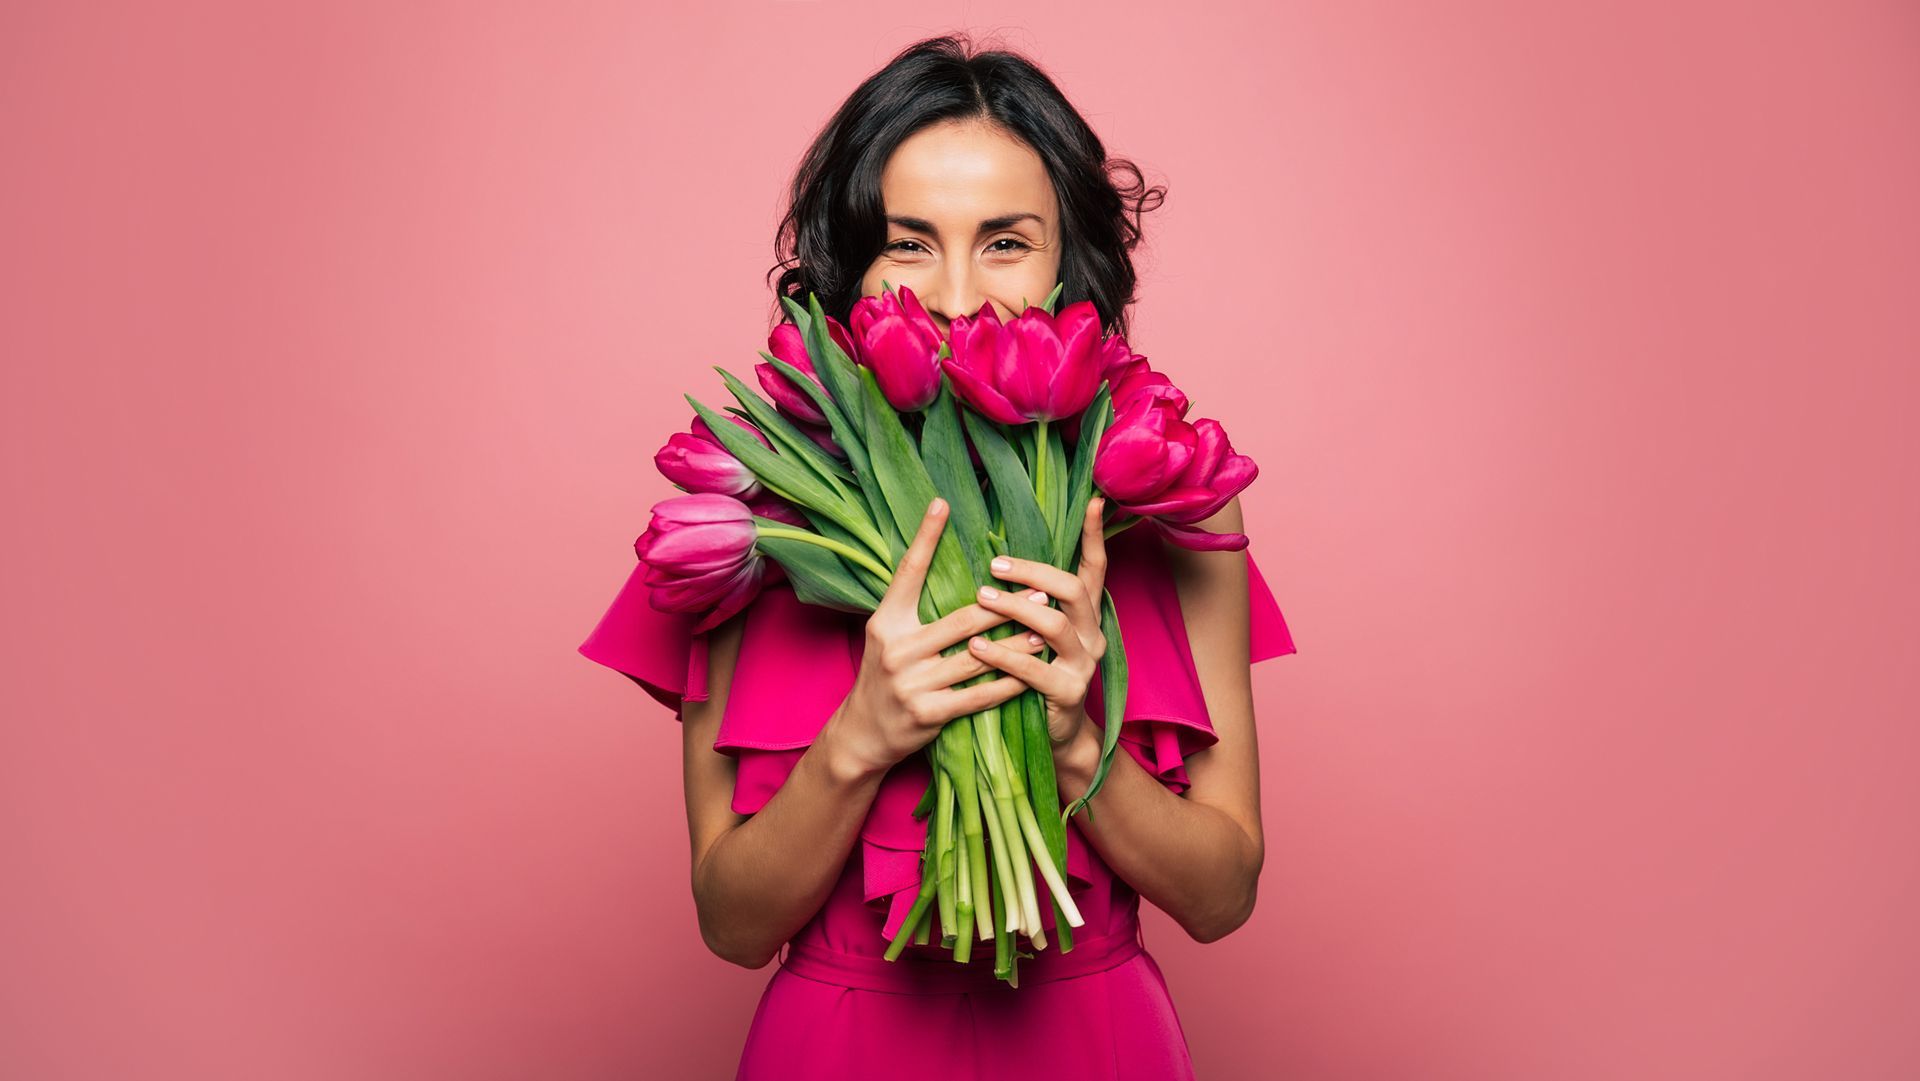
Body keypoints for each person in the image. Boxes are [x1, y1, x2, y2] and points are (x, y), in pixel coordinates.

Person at [580, 34, 1297, 1081]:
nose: (957, 298)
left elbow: (1223, 895)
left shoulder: (1170, 500)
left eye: (1006, 243)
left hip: (1097, 1046)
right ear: (847, 263)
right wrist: (858, 739)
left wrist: (1071, 742)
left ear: (1072, 266)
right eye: (909, 244)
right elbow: (732, 924)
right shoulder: (749, 524)